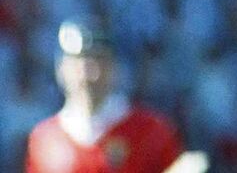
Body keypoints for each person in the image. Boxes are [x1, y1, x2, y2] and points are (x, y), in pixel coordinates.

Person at [25, 21, 185, 173]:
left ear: (114, 68)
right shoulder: (44, 138)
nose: (89, 74)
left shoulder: (150, 131)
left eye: (99, 62)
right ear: (61, 68)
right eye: (79, 63)